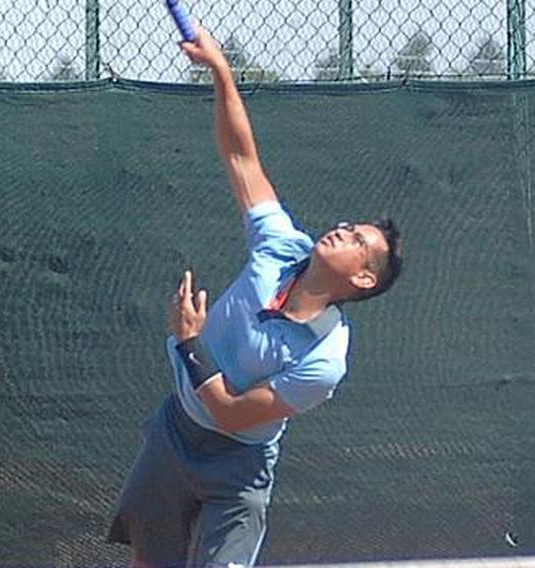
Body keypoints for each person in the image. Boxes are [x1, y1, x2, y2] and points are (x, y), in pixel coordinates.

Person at [107, 24, 403, 567]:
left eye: (358, 240)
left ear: (363, 278)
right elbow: (242, 158)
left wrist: (192, 344)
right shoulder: (280, 247)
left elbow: (234, 414)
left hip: (239, 466)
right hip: (175, 431)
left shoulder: (324, 360)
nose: (342, 229)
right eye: (350, 225)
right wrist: (221, 70)